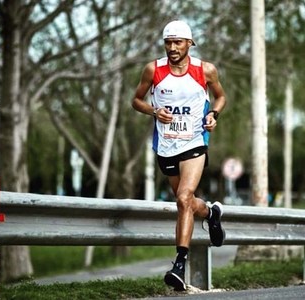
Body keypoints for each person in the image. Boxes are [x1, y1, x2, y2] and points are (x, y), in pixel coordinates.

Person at [131, 20, 227, 292]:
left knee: (184, 197)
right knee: (185, 202)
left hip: (195, 142)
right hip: (166, 145)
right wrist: (153, 111)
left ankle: (179, 265)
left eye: (178, 42)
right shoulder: (153, 69)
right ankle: (210, 212)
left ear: (189, 43)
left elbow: (220, 97)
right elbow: (135, 100)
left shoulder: (205, 70)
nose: (172, 48)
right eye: (168, 42)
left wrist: (213, 114)